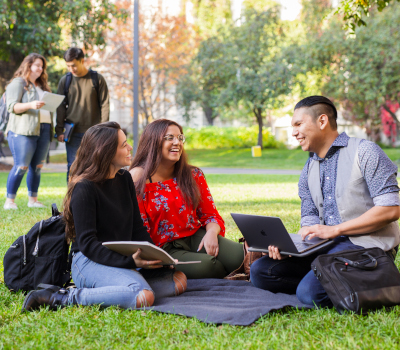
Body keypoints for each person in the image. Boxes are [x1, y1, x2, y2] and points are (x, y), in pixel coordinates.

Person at [250, 95, 400, 308]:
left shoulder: (366, 151)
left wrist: (336, 230)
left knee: (309, 293)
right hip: (327, 248)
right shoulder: (308, 168)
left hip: (367, 248)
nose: (293, 132)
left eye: (298, 124)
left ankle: (379, 278)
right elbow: (309, 217)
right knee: (261, 271)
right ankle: (326, 280)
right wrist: (294, 250)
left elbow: (390, 209)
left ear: (322, 121)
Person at [22, 122, 187, 312]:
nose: (130, 148)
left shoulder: (124, 178)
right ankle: (63, 296)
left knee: (178, 281)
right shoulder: (84, 187)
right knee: (143, 296)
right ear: (106, 151)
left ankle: (116, 289)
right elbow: (88, 245)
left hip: (121, 259)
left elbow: (137, 228)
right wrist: (130, 263)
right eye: (124, 144)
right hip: (88, 261)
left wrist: (156, 258)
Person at [129, 119, 244, 279]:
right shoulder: (138, 177)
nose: (177, 142)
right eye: (169, 138)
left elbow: (210, 214)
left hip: (195, 236)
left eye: (180, 138)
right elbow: (139, 229)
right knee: (210, 265)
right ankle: (230, 273)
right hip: (164, 248)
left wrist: (211, 233)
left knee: (240, 256)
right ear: (153, 142)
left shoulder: (193, 174)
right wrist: (158, 259)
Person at [4, 53, 54, 210]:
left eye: (42, 66)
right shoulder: (18, 83)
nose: (40, 69)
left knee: (37, 167)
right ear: (28, 65)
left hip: (44, 129)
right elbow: (11, 106)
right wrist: (31, 105)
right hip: (23, 131)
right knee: (21, 166)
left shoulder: (42, 86)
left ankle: (33, 200)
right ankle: (9, 201)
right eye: (37, 65)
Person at [55, 47, 110, 181]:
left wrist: (104, 130)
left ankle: (93, 198)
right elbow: (60, 106)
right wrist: (59, 129)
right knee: (72, 167)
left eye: (73, 65)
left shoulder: (97, 79)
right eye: (68, 66)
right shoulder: (65, 81)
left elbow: (105, 105)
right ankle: (73, 200)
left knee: (95, 167)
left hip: (94, 133)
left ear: (82, 61)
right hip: (73, 133)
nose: (71, 69)